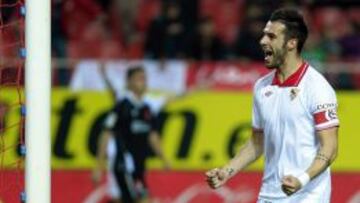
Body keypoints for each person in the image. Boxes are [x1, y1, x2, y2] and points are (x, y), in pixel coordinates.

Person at [206, 8, 339, 203]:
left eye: (271, 36)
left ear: (292, 43)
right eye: (263, 35)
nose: (262, 41)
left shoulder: (317, 87)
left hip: (307, 196)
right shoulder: (262, 87)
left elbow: (330, 148)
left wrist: (302, 179)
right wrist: (227, 171)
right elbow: (256, 143)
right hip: (269, 195)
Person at [93, 66, 170, 203]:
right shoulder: (123, 106)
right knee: (142, 199)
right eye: (139, 79)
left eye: (144, 78)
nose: (143, 82)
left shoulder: (146, 108)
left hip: (139, 164)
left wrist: (164, 158)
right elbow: (106, 134)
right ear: (129, 82)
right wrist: (99, 166)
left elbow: (152, 135)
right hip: (124, 165)